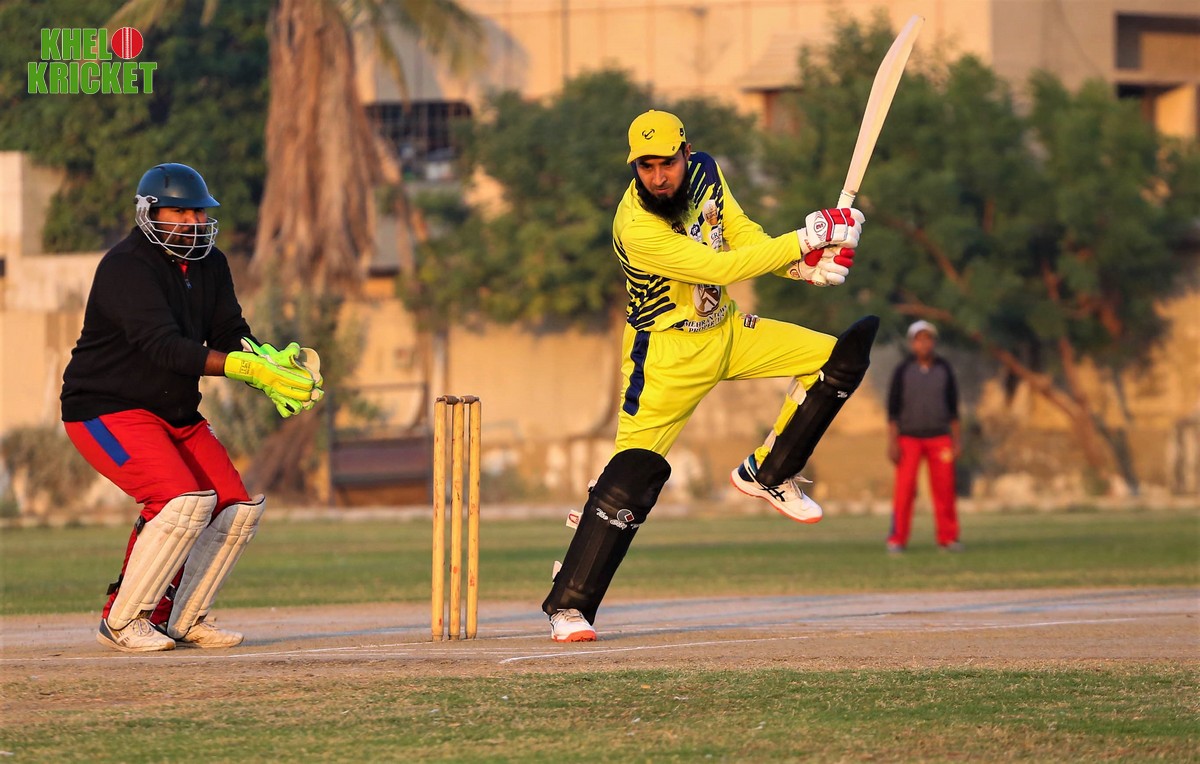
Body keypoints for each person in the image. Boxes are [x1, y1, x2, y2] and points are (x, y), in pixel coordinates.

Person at [541, 110, 879, 642]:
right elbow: (718, 267)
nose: (658, 178)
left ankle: (768, 472)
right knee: (627, 482)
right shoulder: (636, 226)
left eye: (667, 163)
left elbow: (740, 236)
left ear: (686, 152)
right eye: (646, 167)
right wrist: (808, 236)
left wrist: (800, 265)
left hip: (728, 330)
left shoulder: (705, 172)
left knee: (838, 360)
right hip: (667, 357)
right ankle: (568, 606)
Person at [61, 162, 325, 653]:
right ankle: (124, 619)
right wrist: (246, 369)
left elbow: (229, 332)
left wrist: (267, 361)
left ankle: (182, 618)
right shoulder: (126, 267)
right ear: (149, 213)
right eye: (179, 212)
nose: (192, 221)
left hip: (174, 412)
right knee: (179, 500)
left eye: (198, 212)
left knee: (233, 508)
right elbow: (164, 348)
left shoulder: (210, 263)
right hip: (105, 409)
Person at [885, 320, 962, 553]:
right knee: (905, 490)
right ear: (912, 343)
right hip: (909, 438)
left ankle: (948, 538)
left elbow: (953, 409)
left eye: (928, 339)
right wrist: (892, 442)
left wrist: (957, 441)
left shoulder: (944, 369)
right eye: (919, 340)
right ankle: (897, 538)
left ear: (933, 342)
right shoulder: (903, 370)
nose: (924, 344)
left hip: (940, 438)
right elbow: (893, 411)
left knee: (944, 490)